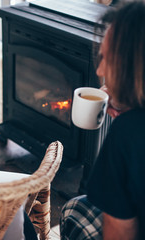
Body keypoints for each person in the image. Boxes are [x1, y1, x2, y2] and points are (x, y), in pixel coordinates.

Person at [60, 1, 145, 239]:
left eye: (109, 59)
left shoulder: (127, 132)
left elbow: (120, 232)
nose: (100, 71)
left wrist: (124, 128)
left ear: (133, 67)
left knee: (73, 209)